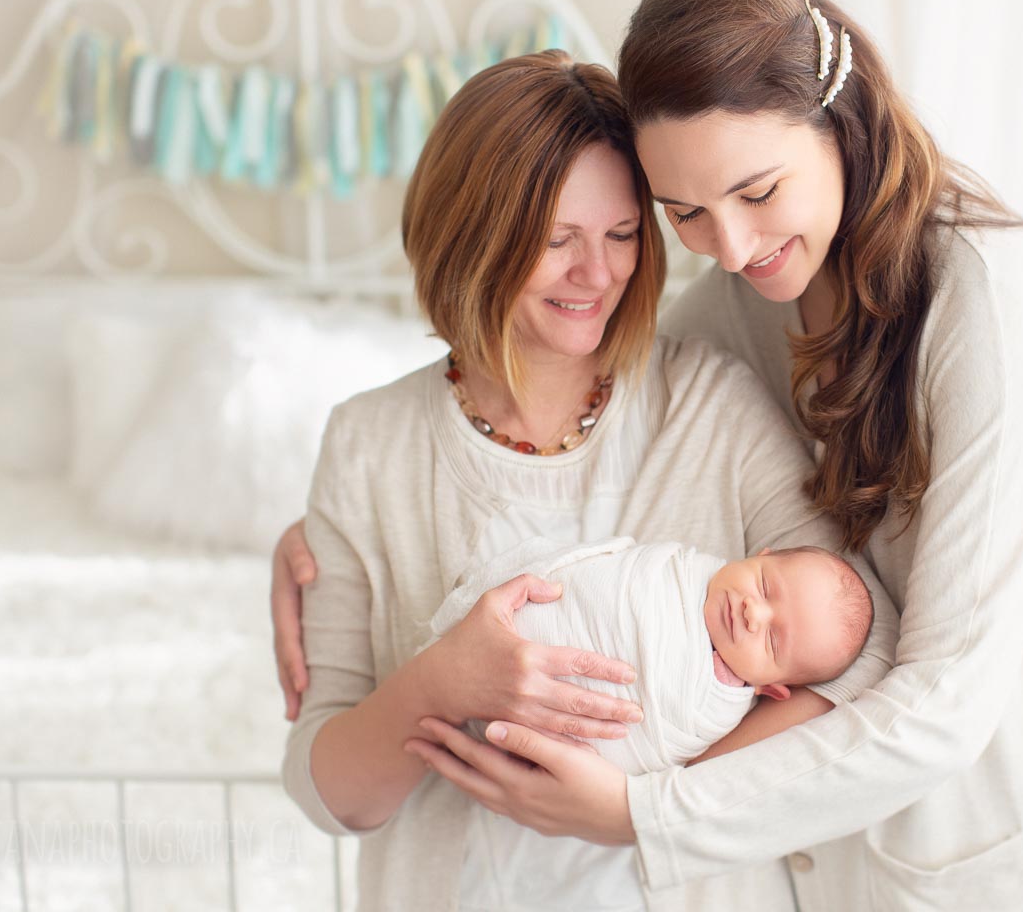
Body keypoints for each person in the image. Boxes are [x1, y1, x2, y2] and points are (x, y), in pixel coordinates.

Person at [356, 0, 1023, 910]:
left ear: (840, 121)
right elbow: (595, 417)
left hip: (966, 847)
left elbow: (948, 699)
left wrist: (645, 813)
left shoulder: (993, 303)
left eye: (758, 190)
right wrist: (325, 542)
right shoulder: (736, 302)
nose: (730, 243)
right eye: (684, 214)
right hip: (802, 860)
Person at [277, 49, 898, 912]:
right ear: (470, 238)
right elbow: (331, 793)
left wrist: (640, 808)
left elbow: (857, 657)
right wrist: (439, 684)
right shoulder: (370, 445)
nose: (597, 274)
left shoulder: (708, 404)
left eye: (621, 236)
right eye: (556, 240)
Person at [426, 535, 874, 773]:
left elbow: (659, 746)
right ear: (761, 555)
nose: (753, 613)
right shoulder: (680, 570)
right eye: (763, 586)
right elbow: (607, 575)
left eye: (773, 641)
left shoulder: (715, 707)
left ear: (771, 689)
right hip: (512, 628)